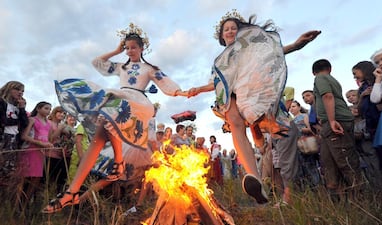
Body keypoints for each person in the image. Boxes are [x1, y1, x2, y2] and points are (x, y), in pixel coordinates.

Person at [42, 23, 186, 213]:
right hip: (120, 97)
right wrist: (116, 50)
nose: (129, 51)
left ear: (142, 48)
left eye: (133, 47)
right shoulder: (122, 67)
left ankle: (117, 163)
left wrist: (182, 92)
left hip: (137, 101)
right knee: (99, 138)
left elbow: (165, 82)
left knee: (107, 117)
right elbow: (97, 62)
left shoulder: (149, 68)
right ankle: (73, 192)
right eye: (126, 48)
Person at [186, 10, 320, 203]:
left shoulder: (252, 50)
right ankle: (254, 177)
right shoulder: (222, 62)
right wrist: (197, 89)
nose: (231, 31)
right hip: (237, 102)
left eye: (234, 28)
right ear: (222, 36)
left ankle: (289, 196)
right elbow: (216, 83)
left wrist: (297, 45)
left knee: (284, 155)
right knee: (234, 122)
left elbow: (272, 52)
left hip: (259, 103)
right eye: (227, 29)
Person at [312, 59, 363, 202]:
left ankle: (359, 199)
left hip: (336, 121)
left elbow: (327, 96)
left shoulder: (320, 78)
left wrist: (332, 120)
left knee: (345, 161)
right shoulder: (331, 79)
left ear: (313, 72)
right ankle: (341, 200)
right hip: (329, 123)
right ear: (330, 68)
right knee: (329, 163)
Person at [18, 101, 53, 209]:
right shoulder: (32, 120)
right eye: (46, 108)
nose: (48, 111)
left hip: (40, 153)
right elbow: (24, 136)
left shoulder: (48, 123)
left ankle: (25, 205)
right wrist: (40, 143)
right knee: (23, 178)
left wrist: (48, 145)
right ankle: (16, 204)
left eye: (50, 109)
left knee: (36, 179)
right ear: (38, 108)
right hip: (30, 151)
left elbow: (47, 138)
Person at [0, 81, 29, 186]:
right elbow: (3, 122)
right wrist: (18, 121)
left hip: (14, 140)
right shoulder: (2, 102)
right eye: (17, 89)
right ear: (9, 89)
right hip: (3, 138)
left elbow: (25, 123)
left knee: (8, 170)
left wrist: (22, 109)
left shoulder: (17, 106)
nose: (20, 93)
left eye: (22, 91)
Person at [46, 106, 73, 193]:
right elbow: (50, 139)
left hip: (60, 155)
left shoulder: (63, 126)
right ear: (54, 112)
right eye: (60, 112)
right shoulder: (48, 123)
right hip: (49, 154)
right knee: (46, 179)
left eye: (64, 113)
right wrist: (60, 129)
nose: (62, 114)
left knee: (57, 180)